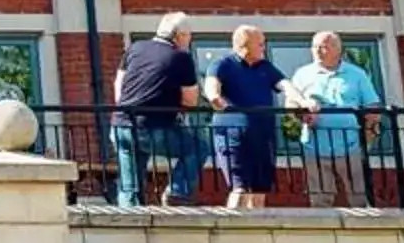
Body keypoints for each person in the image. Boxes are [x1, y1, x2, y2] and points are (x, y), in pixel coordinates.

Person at [113, 12, 202, 206]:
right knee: (198, 146)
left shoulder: (135, 48)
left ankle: (129, 217)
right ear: (179, 35)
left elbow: (119, 89)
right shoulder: (181, 57)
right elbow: (191, 100)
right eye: (189, 36)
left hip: (122, 123)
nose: (189, 41)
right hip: (156, 125)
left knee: (130, 185)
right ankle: (177, 192)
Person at [286, 31, 384, 209]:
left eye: (323, 46)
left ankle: (364, 232)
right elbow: (290, 104)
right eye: (314, 46)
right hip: (314, 146)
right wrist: (302, 113)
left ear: (338, 49)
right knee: (320, 201)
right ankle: (323, 235)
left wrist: (369, 134)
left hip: (350, 145)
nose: (317, 51)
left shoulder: (356, 74)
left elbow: (373, 105)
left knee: (358, 197)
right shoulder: (303, 74)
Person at [206, 25, 286, 210]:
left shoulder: (265, 67)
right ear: (244, 46)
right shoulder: (223, 64)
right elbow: (211, 87)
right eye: (260, 44)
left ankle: (259, 231)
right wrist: (215, 98)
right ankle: (231, 227)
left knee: (259, 189)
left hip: (263, 135)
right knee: (239, 187)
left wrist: (301, 100)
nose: (263, 48)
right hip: (232, 134)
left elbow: (285, 85)